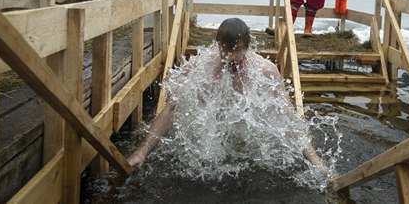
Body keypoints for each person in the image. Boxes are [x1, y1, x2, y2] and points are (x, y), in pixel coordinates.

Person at [127, 18, 327, 175]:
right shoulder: (199, 66)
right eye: (225, 50)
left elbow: (288, 116)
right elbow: (171, 108)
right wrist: (142, 152)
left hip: (245, 143)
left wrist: (316, 161)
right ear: (217, 45)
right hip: (212, 142)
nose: (230, 57)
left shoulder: (265, 71)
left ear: (248, 47)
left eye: (237, 50)